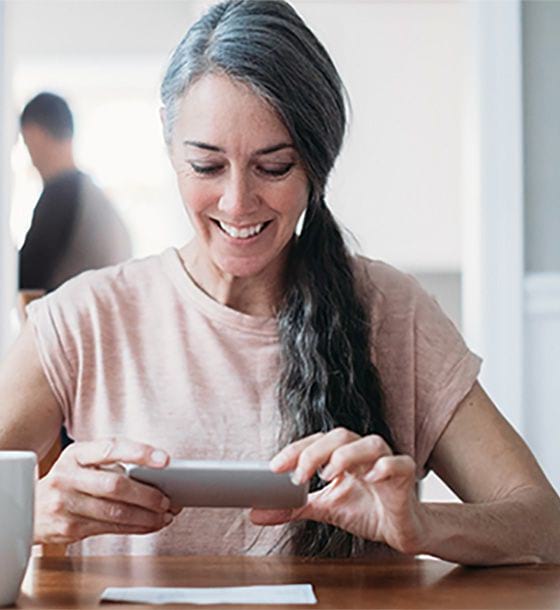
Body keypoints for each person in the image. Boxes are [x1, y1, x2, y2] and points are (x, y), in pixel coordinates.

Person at [0, 0, 559, 564]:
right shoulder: (84, 320)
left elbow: (544, 521)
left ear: (317, 165)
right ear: (171, 149)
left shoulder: (393, 313)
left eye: (274, 166)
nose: (238, 202)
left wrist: (420, 525)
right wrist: (33, 511)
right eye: (207, 166)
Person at [18, 92, 132, 293]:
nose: (31, 161)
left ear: (35, 134)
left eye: (27, 145)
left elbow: (26, 277)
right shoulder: (92, 195)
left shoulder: (61, 195)